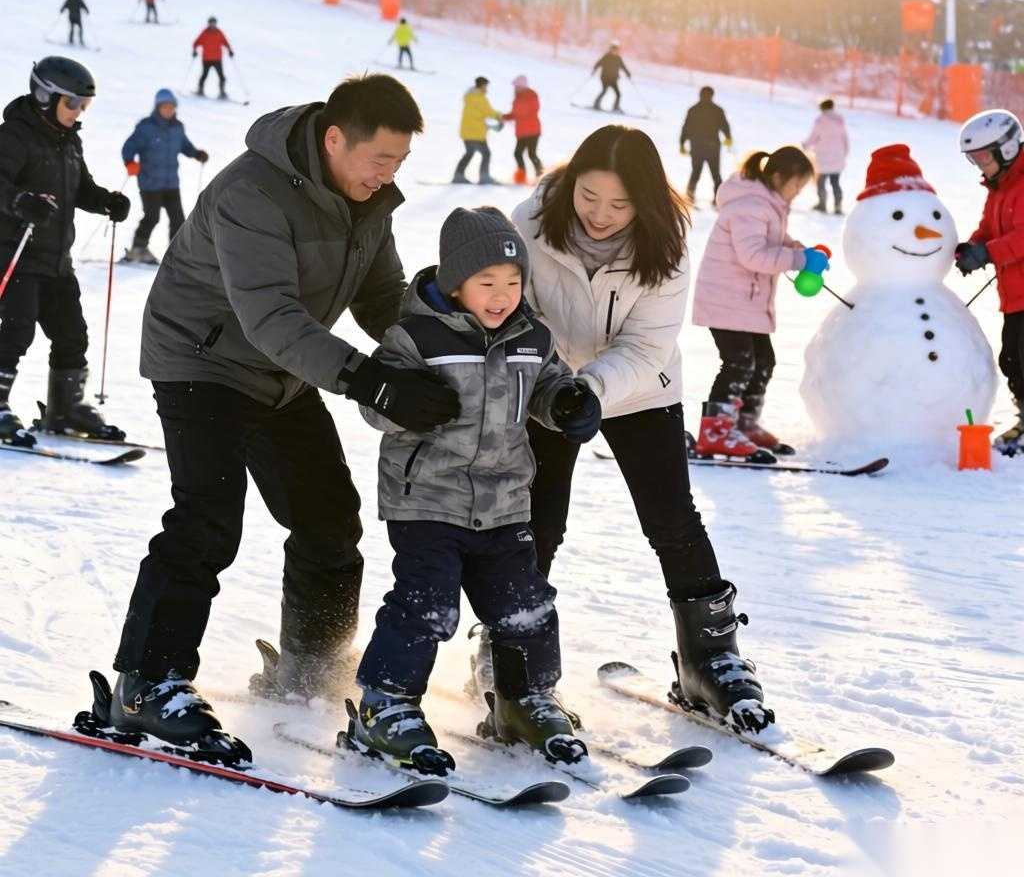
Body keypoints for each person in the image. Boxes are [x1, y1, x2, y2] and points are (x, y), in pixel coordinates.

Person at [106, 74, 461, 756]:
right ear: (334, 140)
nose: (388, 175)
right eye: (379, 159)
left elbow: (380, 293)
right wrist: (370, 382)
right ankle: (148, 682)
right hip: (202, 360)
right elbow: (270, 316)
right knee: (208, 520)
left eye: (400, 162)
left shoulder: (368, 199)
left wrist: (439, 353)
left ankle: (310, 667)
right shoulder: (252, 191)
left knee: (329, 516)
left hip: (282, 372)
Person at [510, 124, 774, 735]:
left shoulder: (668, 241)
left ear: (646, 201)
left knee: (672, 519)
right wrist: (554, 384)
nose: (601, 216)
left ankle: (710, 659)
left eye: (620, 204)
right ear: (571, 183)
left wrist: (592, 388)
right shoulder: (530, 222)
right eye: (589, 197)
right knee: (538, 520)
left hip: (636, 385)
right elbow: (512, 310)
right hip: (546, 385)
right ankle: (511, 652)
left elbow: (649, 342)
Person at [350, 206, 598, 772]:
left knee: (524, 605)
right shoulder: (416, 337)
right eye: (487, 282)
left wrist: (568, 403)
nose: (502, 295)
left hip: (505, 500)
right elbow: (374, 405)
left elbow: (548, 384)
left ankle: (523, 698)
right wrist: (401, 398)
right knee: (428, 605)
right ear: (455, 283)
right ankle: (385, 704)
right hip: (427, 500)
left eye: (513, 282)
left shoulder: (531, 335)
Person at [0, 57, 131, 448]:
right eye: (71, 104)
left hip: (57, 260)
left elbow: (80, 189)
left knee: (72, 335)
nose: (77, 113)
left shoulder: (69, 141)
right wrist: (20, 201)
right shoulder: (13, 137)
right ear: (45, 96)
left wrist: (105, 201)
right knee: (15, 333)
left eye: (83, 106)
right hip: (16, 254)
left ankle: (65, 408)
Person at [691, 147, 819, 461]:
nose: (796, 194)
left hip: (745, 304)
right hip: (726, 301)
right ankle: (716, 432)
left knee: (764, 361)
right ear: (777, 177)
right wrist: (798, 259)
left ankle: (743, 423)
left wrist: (795, 248)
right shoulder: (749, 206)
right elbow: (754, 255)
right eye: (796, 187)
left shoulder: (767, 205)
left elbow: (769, 241)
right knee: (739, 363)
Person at [956, 109, 1024, 456]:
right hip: (1014, 295)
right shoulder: (998, 189)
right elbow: (988, 228)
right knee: (1011, 359)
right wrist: (972, 246)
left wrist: (989, 254)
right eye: (973, 158)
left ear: (1007, 149)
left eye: (982, 156)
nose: (978, 164)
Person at [121, 89, 209, 264]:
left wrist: (196, 154)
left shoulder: (177, 128)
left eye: (172, 107)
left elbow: (185, 146)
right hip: (149, 183)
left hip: (171, 183)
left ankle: (177, 254)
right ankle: (138, 249)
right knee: (152, 217)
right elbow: (128, 147)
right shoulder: (146, 127)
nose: (169, 110)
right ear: (157, 107)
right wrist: (130, 162)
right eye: (165, 107)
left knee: (178, 219)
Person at [679, 86, 732, 206]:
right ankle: (718, 199)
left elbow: (686, 127)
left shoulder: (693, 110)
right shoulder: (717, 110)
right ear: (712, 95)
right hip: (713, 147)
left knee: (695, 172)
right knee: (716, 174)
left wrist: (682, 142)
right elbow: (725, 125)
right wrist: (728, 137)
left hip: (697, 147)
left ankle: (689, 196)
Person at [803, 98, 850, 214]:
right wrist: (845, 152)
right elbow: (845, 138)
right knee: (835, 182)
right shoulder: (840, 120)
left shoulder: (820, 120)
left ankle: (822, 204)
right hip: (838, 156)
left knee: (820, 182)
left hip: (823, 156)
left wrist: (805, 145)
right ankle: (838, 206)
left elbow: (813, 137)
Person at [452, 76, 502, 185]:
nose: (487, 89)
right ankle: (484, 177)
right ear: (482, 85)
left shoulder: (470, 96)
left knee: (469, 153)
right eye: (486, 86)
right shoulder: (479, 98)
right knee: (486, 154)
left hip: (467, 132)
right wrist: (500, 116)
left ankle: (458, 175)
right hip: (475, 133)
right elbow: (489, 112)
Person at [503, 75, 542, 185]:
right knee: (518, 153)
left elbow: (533, 110)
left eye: (517, 86)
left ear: (523, 86)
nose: (515, 88)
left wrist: (517, 114)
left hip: (532, 130)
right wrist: (504, 117)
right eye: (515, 87)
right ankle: (521, 176)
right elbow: (515, 113)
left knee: (531, 154)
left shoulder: (531, 95)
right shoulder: (517, 97)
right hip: (522, 132)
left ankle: (541, 176)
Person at [192, 17, 234, 99]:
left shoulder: (219, 32)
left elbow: (225, 42)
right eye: (211, 23)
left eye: (214, 23)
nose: (212, 25)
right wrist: (194, 51)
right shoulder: (204, 33)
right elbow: (196, 43)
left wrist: (230, 50)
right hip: (206, 59)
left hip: (217, 59)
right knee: (204, 75)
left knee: (221, 76)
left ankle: (222, 92)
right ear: (209, 24)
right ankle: (200, 90)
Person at [591, 41, 631, 112]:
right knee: (604, 90)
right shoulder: (606, 57)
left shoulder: (618, 58)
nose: (614, 51)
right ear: (610, 49)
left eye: (616, 50)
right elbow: (598, 63)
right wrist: (594, 70)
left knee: (618, 93)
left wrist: (628, 73)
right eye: (613, 49)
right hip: (605, 77)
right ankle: (596, 104)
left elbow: (623, 67)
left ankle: (615, 107)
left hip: (613, 79)